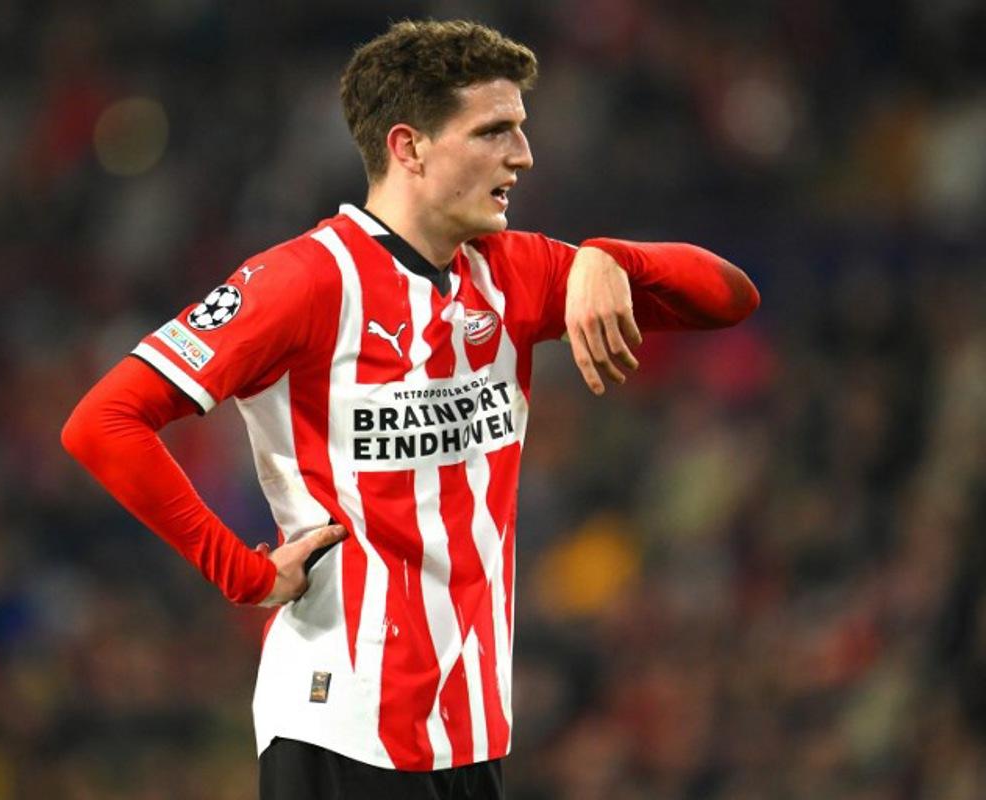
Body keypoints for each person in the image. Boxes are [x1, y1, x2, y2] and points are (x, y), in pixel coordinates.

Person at [62, 18, 759, 800]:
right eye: (493, 132)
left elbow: (730, 297)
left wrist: (610, 257)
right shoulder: (304, 282)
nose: (522, 156)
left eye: (520, 131)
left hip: (469, 724)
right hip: (340, 717)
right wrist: (241, 573)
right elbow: (104, 420)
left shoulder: (517, 272)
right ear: (409, 146)